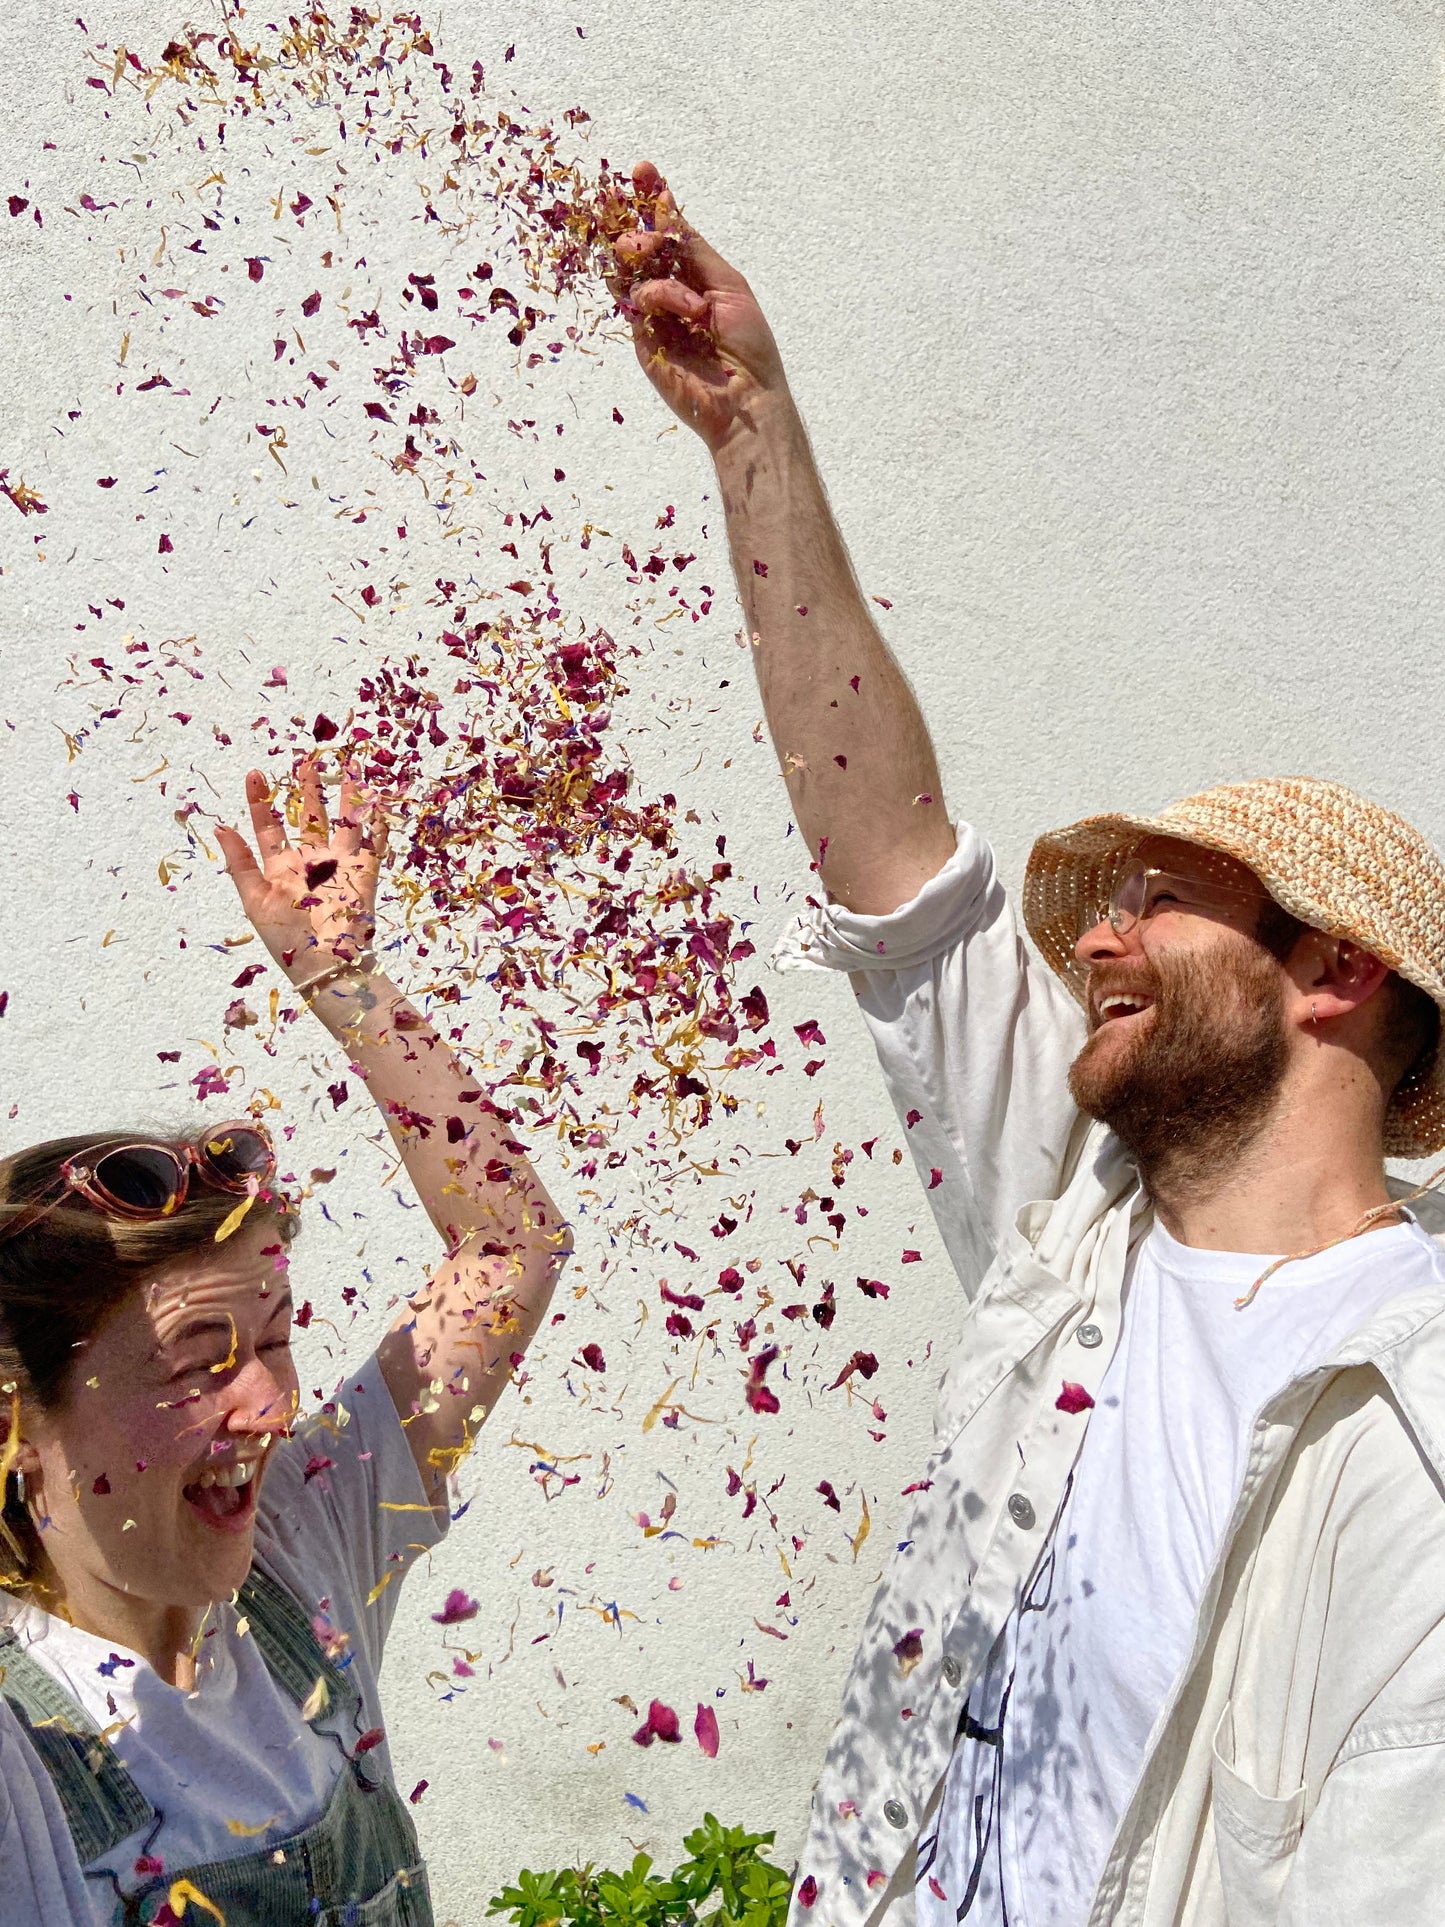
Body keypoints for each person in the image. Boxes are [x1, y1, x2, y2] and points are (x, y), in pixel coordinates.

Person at [613, 165, 1445, 1926]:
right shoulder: (1071, 1229)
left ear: (1337, 969)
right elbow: (897, 869)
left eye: (1161, 899)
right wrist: (751, 430)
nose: (1098, 936)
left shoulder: (1417, 1417)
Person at [0, 762, 570, 1925]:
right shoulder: (21, 1763)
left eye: (274, 1338)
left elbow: (508, 1247)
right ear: (20, 1412)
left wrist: (341, 977)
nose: (267, 1406)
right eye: (198, 1357)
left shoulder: (299, 1548)